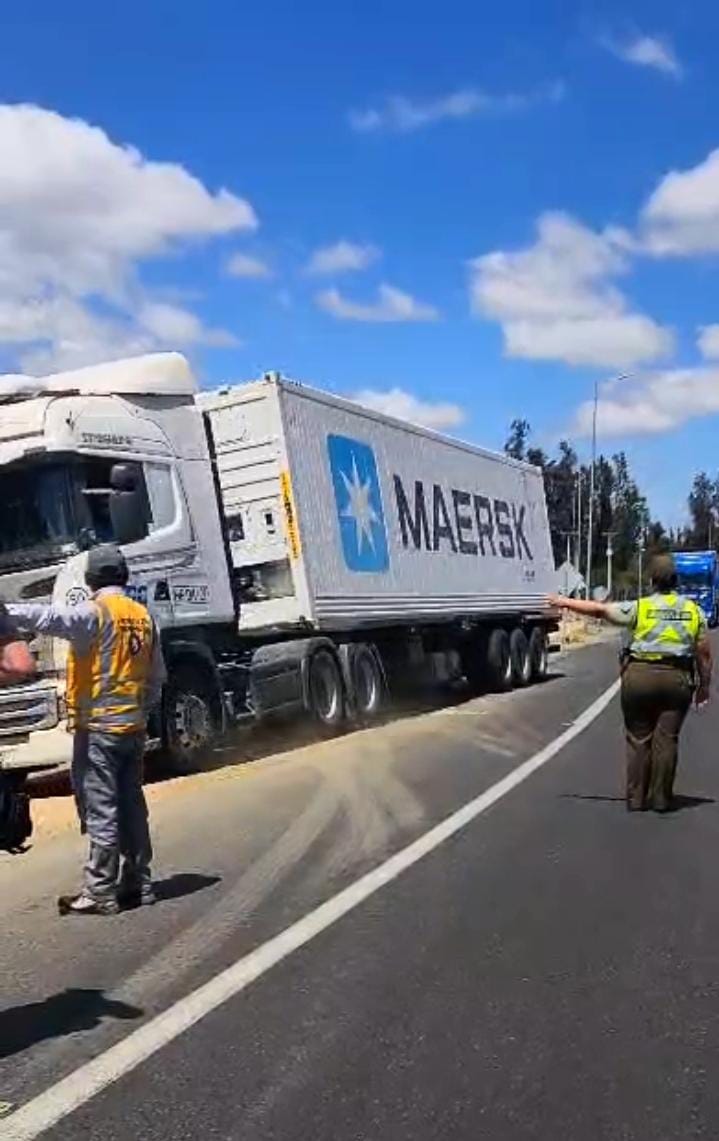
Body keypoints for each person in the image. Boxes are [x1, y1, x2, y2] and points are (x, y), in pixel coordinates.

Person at [0, 545, 165, 913]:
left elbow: (48, 618)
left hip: (98, 730)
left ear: (90, 580)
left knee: (100, 807)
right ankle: (140, 882)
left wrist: (5, 613)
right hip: (132, 727)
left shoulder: (95, 614)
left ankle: (100, 891)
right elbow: (157, 678)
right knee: (132, 805)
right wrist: (139, 712)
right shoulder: (143, 616)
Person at [549, 554, 713, 813]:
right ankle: (661, 799)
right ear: (676, 581)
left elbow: (600, 610)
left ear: (651, 581)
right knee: (667, 739)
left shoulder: (641, 607)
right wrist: (704, 685)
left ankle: (636, 799)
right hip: (677, 678)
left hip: (639, 676)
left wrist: (563, 602)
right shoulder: (693, 611)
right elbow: (703, 653)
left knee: (638, 738)